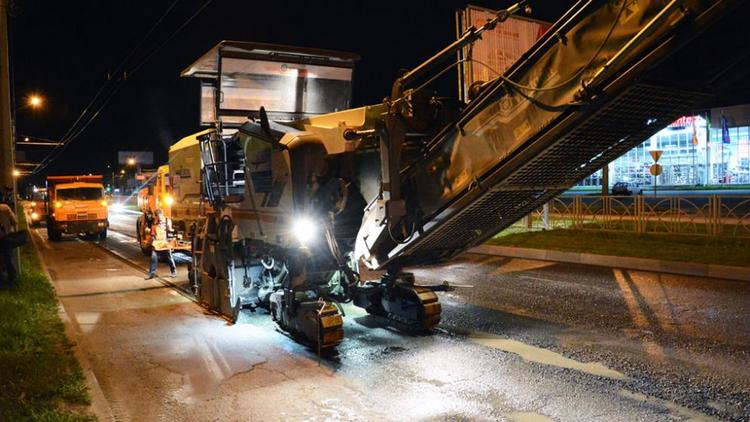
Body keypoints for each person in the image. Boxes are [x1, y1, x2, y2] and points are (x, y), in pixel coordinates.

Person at [145, 208, 176, 279]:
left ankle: (174, 271)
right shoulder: (154, 223)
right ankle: (152, 274)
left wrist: (169, 229)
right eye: (157, 217)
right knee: (153, 258)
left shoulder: (167, 221)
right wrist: (153, 241)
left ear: (162, 215)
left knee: (169, 257)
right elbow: (153, 233)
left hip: (165, 243)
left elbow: (170, 232)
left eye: (160, 216)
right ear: (155, 216)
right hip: (157, 243)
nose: (159, 218)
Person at [0, 199, 18, 288]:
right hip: (6, 237)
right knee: (9, 258)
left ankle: (1, 282)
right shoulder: (5, 208)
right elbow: (15, 221)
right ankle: (12, 280)